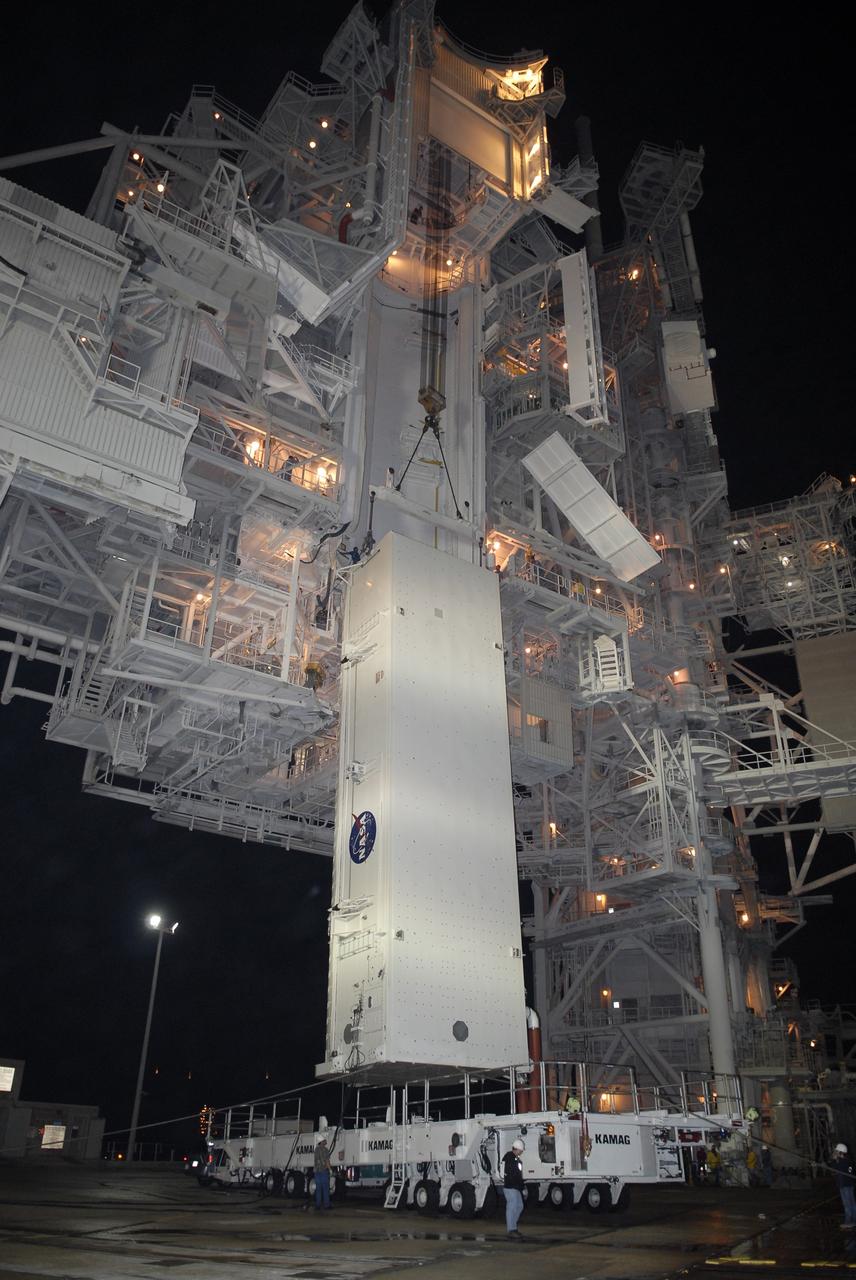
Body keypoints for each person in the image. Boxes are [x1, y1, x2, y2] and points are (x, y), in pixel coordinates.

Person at [502, 1138, 526, 1241]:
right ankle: (511, 1229)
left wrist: (521, 1187)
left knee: (519, 1206)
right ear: (517, 1149)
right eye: (521, 1150)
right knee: (512, 1207)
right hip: (511, 1187)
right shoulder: (511, 1159)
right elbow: (515, 1175)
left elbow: (517, 1175)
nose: (522, 1152)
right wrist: (522, 1187)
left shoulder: (513, 1159)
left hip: (514, 1187)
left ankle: (513, 1227)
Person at [832, 1142, 856, 1229]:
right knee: (852, 1203)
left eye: (836, 1151)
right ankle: (854, 1220)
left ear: (840, 1152)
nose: (835, 1152)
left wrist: (835, 1159)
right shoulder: (848, 1160)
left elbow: (835, 1168)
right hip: (850, 1184)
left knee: (847, 1204)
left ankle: (849, 1221)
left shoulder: (841, 1162)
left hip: (844, 1185)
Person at [313, 1138, 333, 1210]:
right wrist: (330, 1170)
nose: (326, 1141)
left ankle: (318, 1205)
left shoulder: (316, 1149)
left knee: (318, 1189)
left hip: (317, 1172)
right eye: (324, 1140)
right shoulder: (325, 1150)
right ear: (321, 1142)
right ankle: (326, 1205)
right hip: (323, 1171)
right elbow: (327, 1161)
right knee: (325, 1189)